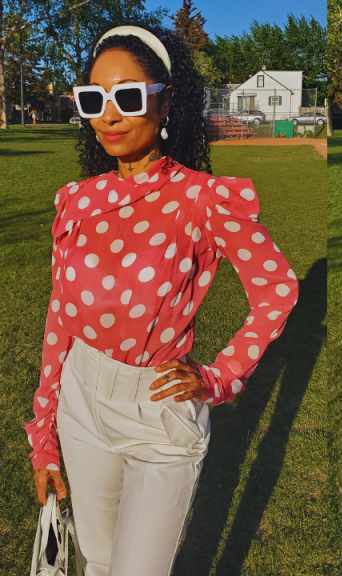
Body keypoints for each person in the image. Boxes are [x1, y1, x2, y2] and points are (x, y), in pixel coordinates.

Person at [26, 25, 298, 575]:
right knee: (97, 560)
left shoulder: (203, 198)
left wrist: (222, 376)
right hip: (83, 400)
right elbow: (60, 318)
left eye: (128, 97)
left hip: (160, 411)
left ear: (165, 101)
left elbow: (277, 290)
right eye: (94, 99)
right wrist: (44, 437)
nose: (110, 114)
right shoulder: (76, 202)